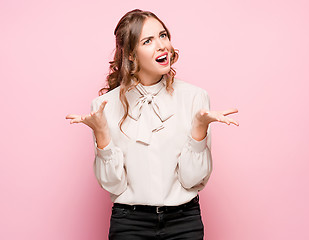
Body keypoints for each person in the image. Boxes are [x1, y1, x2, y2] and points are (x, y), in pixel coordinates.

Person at [66, 9, 239, 240]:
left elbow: (192, 180)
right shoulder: (103, 106)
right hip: (129, 224)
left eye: (163, 35)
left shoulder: (195, 98)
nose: (162, 46)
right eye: (148, 41)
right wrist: (101, 135)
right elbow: (113, 185)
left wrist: (199, 129)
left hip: (184, 221)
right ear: (130, 54)